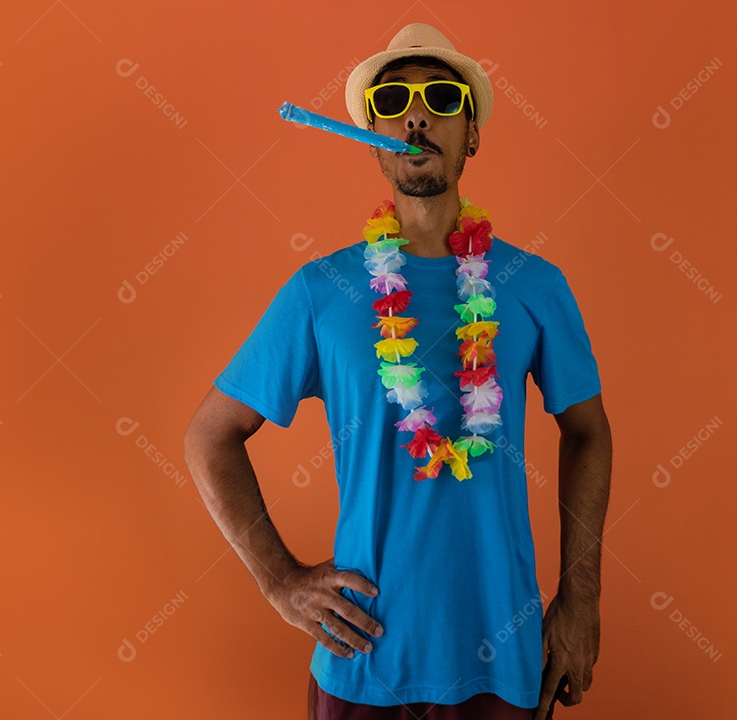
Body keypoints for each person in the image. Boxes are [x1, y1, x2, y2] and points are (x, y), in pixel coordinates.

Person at [183, 22, 612, 720]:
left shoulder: (535, 286)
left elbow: (589, 431)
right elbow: (209, 434)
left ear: (472, 135)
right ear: (374, 136)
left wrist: (582, 598)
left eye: (442, 97)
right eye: (396, 100)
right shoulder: (322, 292)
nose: (418, 113)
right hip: (362, 664)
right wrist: (278, 579)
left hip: (504, 660)